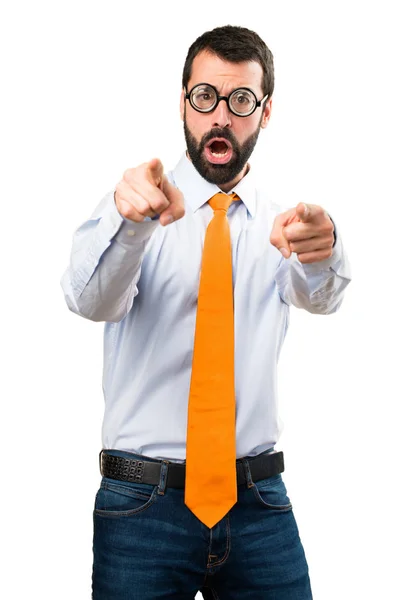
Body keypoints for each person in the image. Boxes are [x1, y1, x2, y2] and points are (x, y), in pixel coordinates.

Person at [61, 24, 351, 600]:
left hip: (259, 506)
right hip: (142, 507)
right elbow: (89, 300)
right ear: (183, 104)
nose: (221, 116)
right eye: (205, 98)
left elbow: (322, 296)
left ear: (265, 113)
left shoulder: (282, 224)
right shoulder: (137, 206)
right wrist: (130, 224)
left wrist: (326, 247)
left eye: (241, 100)